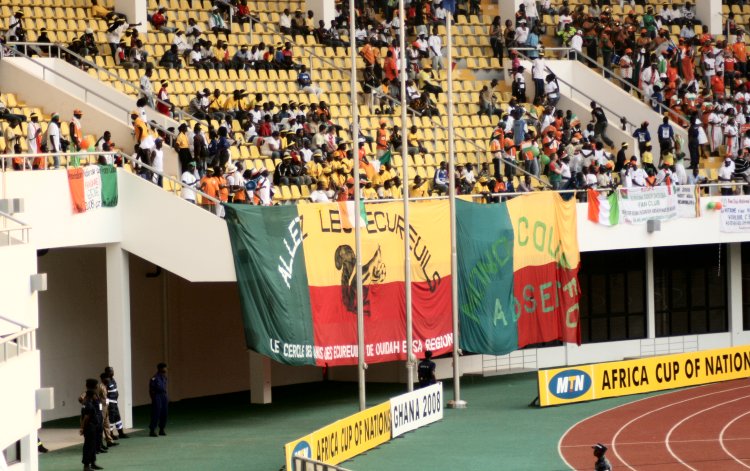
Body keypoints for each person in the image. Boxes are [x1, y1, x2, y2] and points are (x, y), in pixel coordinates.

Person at [80, 386, 103, 471]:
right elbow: (85, 418)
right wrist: (82, 428)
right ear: (92, 395)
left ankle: (93, 463)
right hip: (90, 427)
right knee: (88, 446)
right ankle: (86, 466)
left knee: (92, 446)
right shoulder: (88, 405)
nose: (96, 396)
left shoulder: (86, 403)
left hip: (92, 427)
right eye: (95, 395)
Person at [104, 366, 129, 439]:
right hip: (110, 403)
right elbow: (105, 394)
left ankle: (121, 433)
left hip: (115, 402)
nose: (112, 372)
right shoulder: (106, 381)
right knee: (111, 419)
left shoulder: (113, 380)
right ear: (107, 372)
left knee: (117, 417)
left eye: (113, 371)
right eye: (111, 371)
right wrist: (107, 403)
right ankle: (110, 434)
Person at [149, 362, 169, 437]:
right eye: (165, 367)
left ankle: (162, 429)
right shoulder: (154, 378)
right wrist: (154, 398)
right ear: (160, 368)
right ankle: (152, 430)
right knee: (156, 413)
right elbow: (151, 390)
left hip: (163, 395)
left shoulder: (164, 377)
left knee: (164, 413)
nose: (166, 369)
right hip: (157, 396)